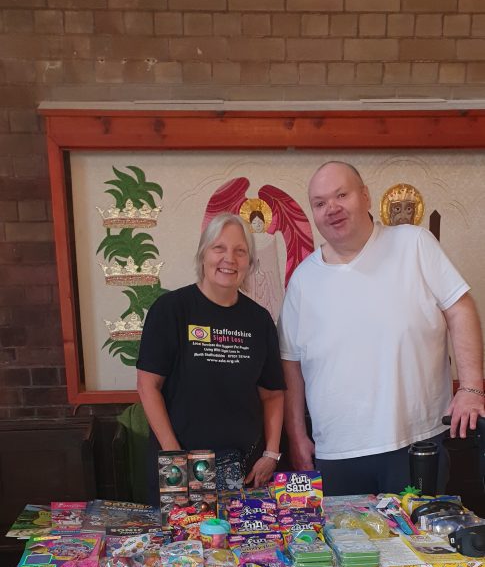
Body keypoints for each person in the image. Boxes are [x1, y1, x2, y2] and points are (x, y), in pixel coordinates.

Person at [278, 160, 485, 495]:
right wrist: (297, 435)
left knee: (420, 544)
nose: (332, 208)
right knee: (344, 548)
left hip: (414, 442)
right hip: (335, 452)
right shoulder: (303, 280)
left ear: (366, 196)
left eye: (341, 195)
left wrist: (472, 388)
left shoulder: (414, 244)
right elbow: (291, 363)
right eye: (319, 203)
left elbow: (460, 309)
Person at [136, 212, 285, 506]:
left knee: (247, 550)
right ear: (203, 254)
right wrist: (175, 457)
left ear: (250, 263)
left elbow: (273, 395)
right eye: (219, 248)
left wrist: (271, 453)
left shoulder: (259, 320)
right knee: (181, 549)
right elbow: (147, 386)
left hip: (244, 468)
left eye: (240, 251)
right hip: (179, 461)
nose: (229, 258)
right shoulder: (171, 310)